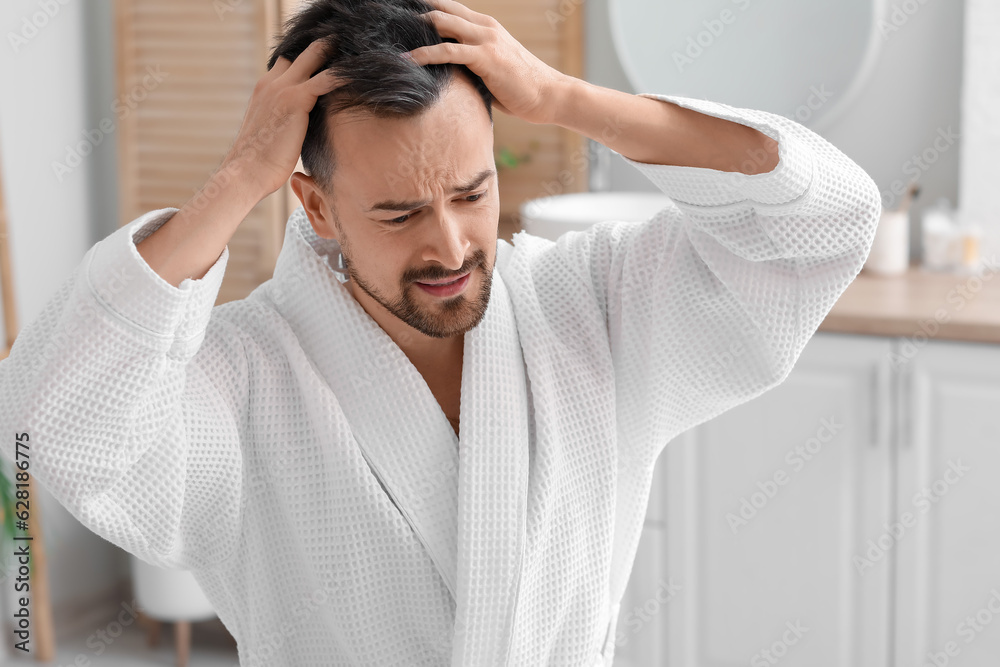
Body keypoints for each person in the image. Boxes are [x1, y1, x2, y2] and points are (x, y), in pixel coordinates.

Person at [0, 0, 881, 665]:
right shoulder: (242, 378)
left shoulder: (591, 307)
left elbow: (822, 221)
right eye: (400, 211)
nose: (452, 243)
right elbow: (51, 425)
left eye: (470, 192)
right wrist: (236, 179)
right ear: (315, 205)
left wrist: (566, 97)